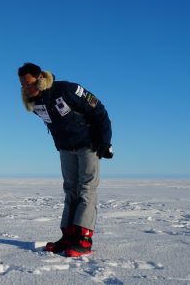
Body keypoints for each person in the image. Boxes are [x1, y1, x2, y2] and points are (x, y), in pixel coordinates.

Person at [18, 62, 113, 257]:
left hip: (89, 145)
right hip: (66, 149)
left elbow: (98, 109)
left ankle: (84, 239)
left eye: (30, 83)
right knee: (70, 189)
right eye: (23, 85)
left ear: (41, 78)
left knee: (87, 188)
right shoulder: (36, 104)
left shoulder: (67, 90)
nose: (27, 89)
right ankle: (69, 236)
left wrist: (104, 142)